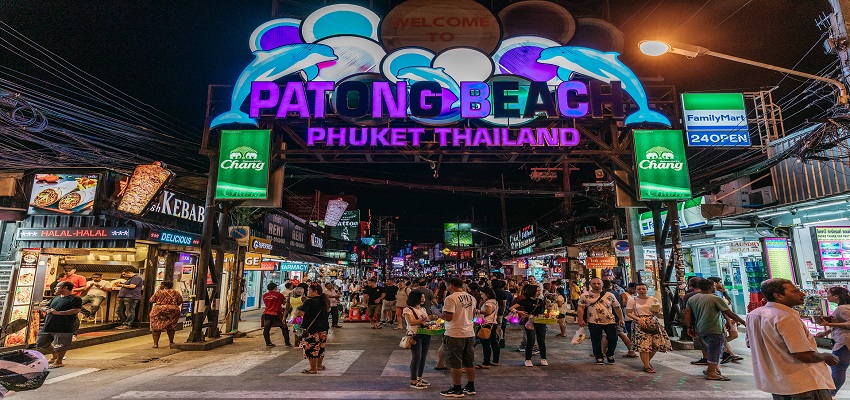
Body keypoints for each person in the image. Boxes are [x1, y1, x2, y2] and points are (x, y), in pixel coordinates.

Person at [748, 278, 837, 399]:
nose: (802, 294)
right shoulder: (786, 317)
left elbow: (750, 343)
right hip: (803, 384)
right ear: (778, 295)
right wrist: (825, 356)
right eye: (795, 292)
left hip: (777, 384)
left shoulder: (753, 315)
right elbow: (803, 354)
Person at [684, 278, 746, 381]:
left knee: (711, 350)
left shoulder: (693, 299)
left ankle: (713, 370)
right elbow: (730, 313)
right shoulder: (715, 298)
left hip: (700, 329)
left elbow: (687, 314)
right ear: (710, 287)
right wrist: (744, 322)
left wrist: (689, 327)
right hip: (714, 329)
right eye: (713, 286)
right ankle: (712, 373)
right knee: (715, 352)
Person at [440, 277, 477, 398]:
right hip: (469, 332)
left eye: (447, 285)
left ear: (451, 285)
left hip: (455, 333)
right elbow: (472, 315)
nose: (446, 288)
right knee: (469, 362)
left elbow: (448, 316)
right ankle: (471, 386)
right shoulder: (471, 297)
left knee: (455, 362)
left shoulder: (450, 298)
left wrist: (437, 313)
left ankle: (457, 389)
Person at [577, 277, 624, 365]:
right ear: (590, 285)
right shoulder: (585, 295)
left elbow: (617, 307)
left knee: (613, 338)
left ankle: (610, 354)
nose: (596, 285)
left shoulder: (609, 295)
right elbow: (580, 308)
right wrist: (580, 319)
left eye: (598, 283)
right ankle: (599, 356)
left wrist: (621, 319)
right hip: (593, 321)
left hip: (609, 321)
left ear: (602, 284)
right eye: (594, 283)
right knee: (596, 340)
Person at [626, 283, 671, 373]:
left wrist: (657, 311)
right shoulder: (632, 300)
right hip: (640, 323)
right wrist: (639, 319)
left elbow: (658, 311)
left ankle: (647, 362)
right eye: (639, 289)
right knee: (644, 346)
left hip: (653, 322)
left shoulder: (653, 299)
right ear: (636, 290)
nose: (641, 291)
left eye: (643, 289)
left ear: (647, 289)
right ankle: (647, 366)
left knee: (656, 344)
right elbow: (629, 312)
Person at [35, 281, 81, 368]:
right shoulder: (55, 298)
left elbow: (76, 310)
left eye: (58, 287)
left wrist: (59, 313)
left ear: (65, 288)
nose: (55, 288)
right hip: (49, 324)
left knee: (61, 345)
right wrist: (46, 309)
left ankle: (59, 361)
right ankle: (54, 355)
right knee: (41, 342)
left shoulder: (75, 299)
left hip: (63, 326)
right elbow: (45, 306)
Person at [816, 286, 850, 397]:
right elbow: (841, 324)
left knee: (838, 368)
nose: (827, 296)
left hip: (844, 342)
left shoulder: (843, 308)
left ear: (837, 296)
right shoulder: (842, 308)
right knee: (838, 369)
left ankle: (831, 394)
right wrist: (825, 333)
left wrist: (828, 324)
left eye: (828, 294)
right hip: (843, 341)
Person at [294, 283, 330, 374]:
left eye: (309, 290)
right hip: (323, 327)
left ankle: (313, 368)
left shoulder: (309, 301)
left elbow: (300, 313)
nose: (307, 292)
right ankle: (319, 365)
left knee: (311, 348)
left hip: (311, 328)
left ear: (315, 291)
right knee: (321, 347)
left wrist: (297, 310)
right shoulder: (324, 300)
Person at [511, 284, 549, 367]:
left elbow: (545, 311)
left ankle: (543, 358)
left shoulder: (541, 300)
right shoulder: (525, 300)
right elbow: (511, 308)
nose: (539, 292)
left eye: (540, 290)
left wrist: (548, 307)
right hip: (529, 322)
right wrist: (519, 312)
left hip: (541, 321)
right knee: (531, 341)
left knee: (541, 340)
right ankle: (528, 359)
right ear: (532, 291)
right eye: (538, 290)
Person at [404, 290, 432, 390]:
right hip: (415, 335)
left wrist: (430, 321)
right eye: (422, 297)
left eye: (423, 297)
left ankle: (419, 378)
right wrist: (424, 319)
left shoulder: (423, 309)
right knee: (416, 357)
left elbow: (426, 321)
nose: (423, 299)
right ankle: (413, 380)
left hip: (426, 334)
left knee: (423, 358)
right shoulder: (408, 310)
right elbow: (411, 322)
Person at [148, 281, 182, 348]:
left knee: (156, 326)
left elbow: (151, 300)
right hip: (173, 309)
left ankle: (155, 344)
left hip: (159, 310)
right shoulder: (176, 292)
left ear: (164, 286)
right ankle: (171, 342)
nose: (160, 286)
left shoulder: (159, 292)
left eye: (161, 285)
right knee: (171, 326)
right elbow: (180, 301)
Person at [476, 287, 500, 369]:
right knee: (494, 342)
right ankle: (495, 360)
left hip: (486, 324)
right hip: (493, 323)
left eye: (482, 294)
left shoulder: (489, 302)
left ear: (487, 294)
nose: (481, 296)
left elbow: (488, 312)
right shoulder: (495, 302)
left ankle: (486, 363)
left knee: (486, 343)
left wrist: (478, 311)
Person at [262, 282, 291, 348]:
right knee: (284, 328)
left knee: (266, 329)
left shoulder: (265, 295)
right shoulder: (279, 295)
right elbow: (284, 302)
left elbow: (266, 303)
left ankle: (268, 343)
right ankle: (287, 343)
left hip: (267, 313)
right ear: (275, 288)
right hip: (277, 313)